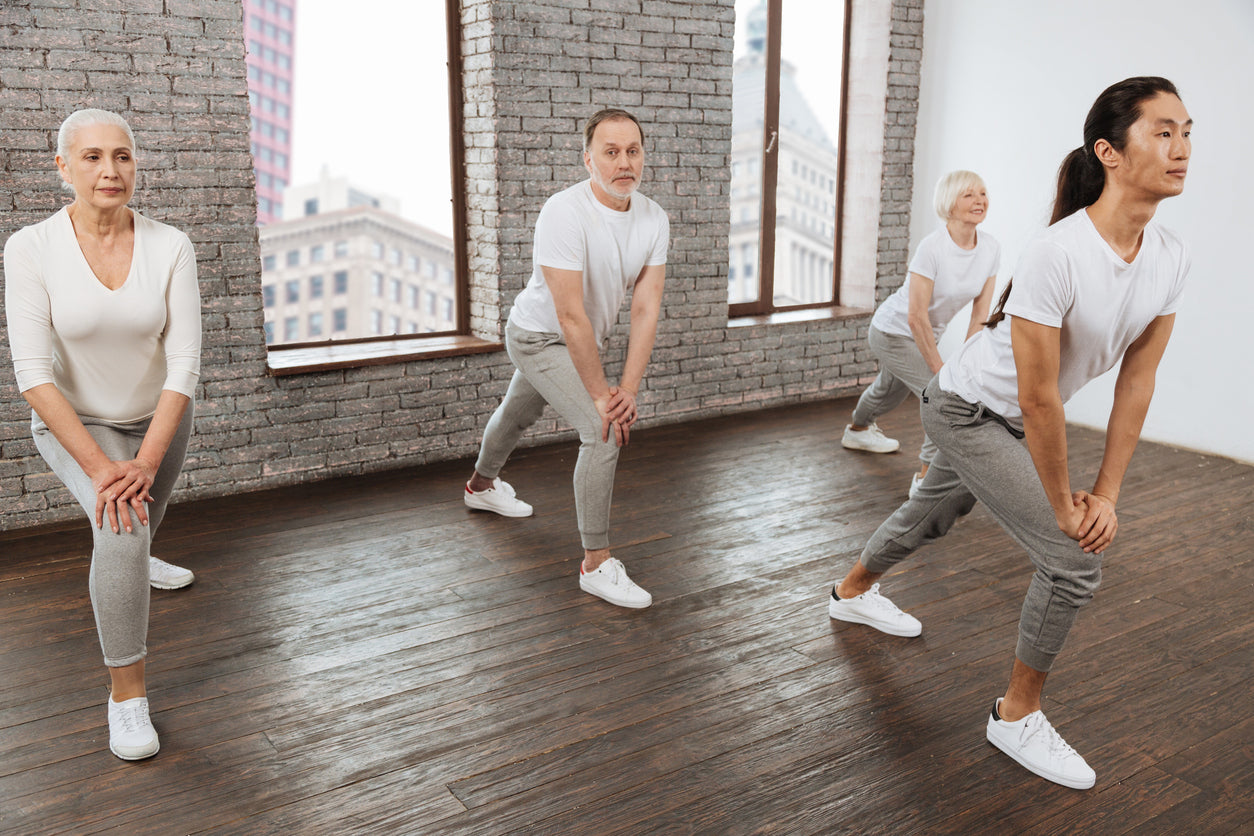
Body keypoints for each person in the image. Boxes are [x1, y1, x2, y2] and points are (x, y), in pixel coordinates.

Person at [827, 77, 1191, 789]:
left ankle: (849, 593)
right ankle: (1015, 716)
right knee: (1072, 558)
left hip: (1008, 417)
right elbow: (1038, 396)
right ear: (1109, 153)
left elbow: (1137, 384)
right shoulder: (1058, 252)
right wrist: (1066, 505)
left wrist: (1108, 493)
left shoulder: (1170, 257)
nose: (1181, 149)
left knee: (932, 514)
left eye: (1187, 132)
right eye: (1163, 132)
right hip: (963, 406)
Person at [4, 108, 202, 760]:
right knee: (121, 527)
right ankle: (127, 698)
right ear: (64, 167)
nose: (110, 170)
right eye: (91, 157)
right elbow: (33, 376)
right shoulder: (31, 247)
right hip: (75, 423)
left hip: (159, 421)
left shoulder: (171, 245)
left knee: (142, 521)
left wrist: (146, 460)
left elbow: (185, 365)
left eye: (122, 155)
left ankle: (140, 559)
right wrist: (104, 470)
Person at [462, 108, 669, 609]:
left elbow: (645, 309)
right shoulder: (564, 211)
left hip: (577, 344)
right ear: (588, 160)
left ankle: (479, 486)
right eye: (611, 152)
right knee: (601, 432)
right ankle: (595, 564)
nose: (625, 163)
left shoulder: (653, 218)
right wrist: (604, 398)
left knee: (518, 413)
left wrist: (630, 389)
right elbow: (570, 315)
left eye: (633, 151)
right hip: (537, 336)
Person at [841, 171, 999, 498]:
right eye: (968, 195)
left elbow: (980, 315)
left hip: (927, 334)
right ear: (949, 203)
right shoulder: (933, 248)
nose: (979, 200)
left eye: (983, 193)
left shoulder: (991, 248)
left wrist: (965, 365)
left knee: (889, 390)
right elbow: (915, 317)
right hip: (891, 330)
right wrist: (944, 373)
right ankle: (926, 477)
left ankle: (857, 429)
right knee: (939, 396)